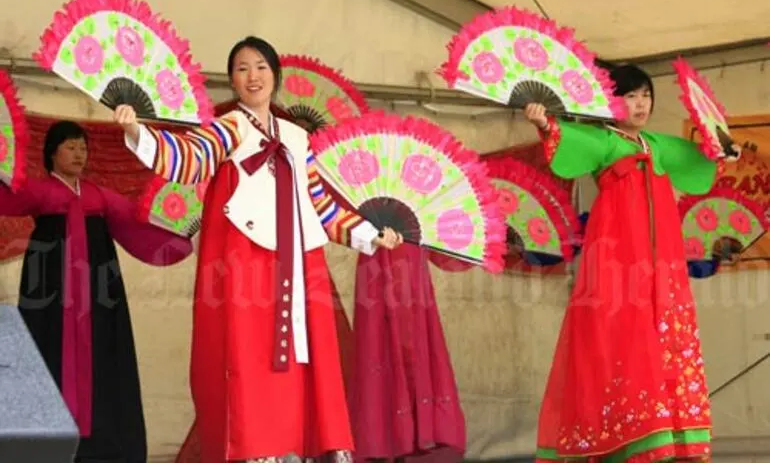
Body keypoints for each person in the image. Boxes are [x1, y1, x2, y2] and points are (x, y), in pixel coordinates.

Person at [114, 36, 403, 463]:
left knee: (306, 350)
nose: (254, 76)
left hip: (300, 260)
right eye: (243, 68)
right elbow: (189, 158)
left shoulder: (296, 137)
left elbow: (320, 201)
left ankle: (302, 443)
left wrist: (370, 233)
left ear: (275, 76)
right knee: (248, 354)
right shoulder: (227, 127)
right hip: (244, 258)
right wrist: (136, 131)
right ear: (232, 80)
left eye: (262, 66)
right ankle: (254, 446)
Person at [525, 65, 739, 462]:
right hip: (618, 256)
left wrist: (723, 148)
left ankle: (667, 437)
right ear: (610, 100)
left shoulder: (660, 145)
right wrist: (544, 122)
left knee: (664, 337)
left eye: (645, 95)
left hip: (663, 262)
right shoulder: (604, 141)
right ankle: (620, 438)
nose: (640, 104)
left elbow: (702, 161)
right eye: (630, 96)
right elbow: (565, 138)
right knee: (619, 334)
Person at [0, 120, 193, 463]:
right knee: (48, 352)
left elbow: (138, 218)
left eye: (83, 147)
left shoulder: (97, 195)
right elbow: (9, 196)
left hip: (97, 295)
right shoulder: (42, 191)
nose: (79, 153)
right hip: (51, 293)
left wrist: (180, 230)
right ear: (52, 153)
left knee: (103, 357)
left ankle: (102, 444)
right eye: (70, 147)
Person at [351, 244, 466, 463]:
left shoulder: (424, 212)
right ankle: (385, 439)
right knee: (377, 344)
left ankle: (417, 437)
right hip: (375, 263)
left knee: (416, 343)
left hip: (413, 266)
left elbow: (443, 238)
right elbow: (346, 223)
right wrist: (372, 234)